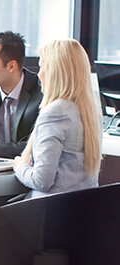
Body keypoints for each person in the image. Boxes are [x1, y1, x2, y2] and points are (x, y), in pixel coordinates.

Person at [13, 39, 102, 198]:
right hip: (83, 211)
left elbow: (41, 181)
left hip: (52, 212)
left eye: (42, 67)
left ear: (55, 72)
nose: (39, 74)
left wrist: (19, 166)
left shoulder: (56, 112)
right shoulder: (90, 111)